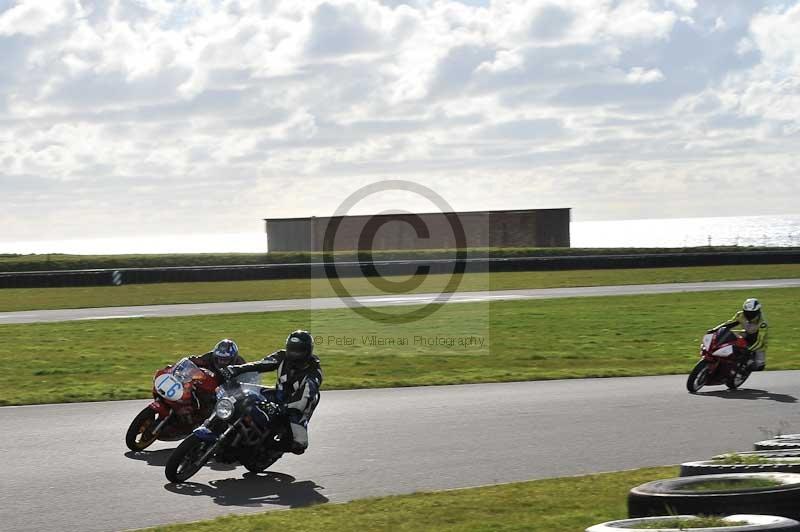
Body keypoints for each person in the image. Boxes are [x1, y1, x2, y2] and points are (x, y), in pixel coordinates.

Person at [220, 330, 323, 455]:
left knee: (299, 444)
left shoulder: (313, 372)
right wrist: (236, 370)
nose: (294, 353)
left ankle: (276, 444)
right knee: (242, 392)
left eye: (298, 350)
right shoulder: (282, 356)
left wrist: (283, 408)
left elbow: (305, 396)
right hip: (279, 394)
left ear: (307, 351)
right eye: (291, 348)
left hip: (296, 407)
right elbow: (261, 364)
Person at [709, 298, 769, 371]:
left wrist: (748, 350)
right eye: (747, 312)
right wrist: (715, 329)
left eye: (752, 313)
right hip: (746, 334)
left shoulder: (763, 323)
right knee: (729, 335)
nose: (749, 315)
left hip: (758, 343)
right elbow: (729, 324)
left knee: (759, 367)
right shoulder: (740, 315)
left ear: (758, 311)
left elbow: (760, 342)